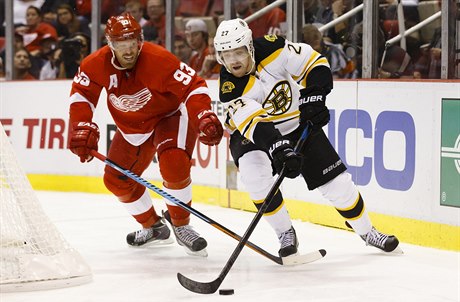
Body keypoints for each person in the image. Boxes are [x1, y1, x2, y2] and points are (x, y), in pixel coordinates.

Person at [213, 18, 400, 258]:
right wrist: (279, 148)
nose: (233, 61)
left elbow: (314, 63)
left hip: (295, 123)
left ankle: (367, 231)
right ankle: (285, 233)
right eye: (226, 55)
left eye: (238, 52)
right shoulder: (229, 87)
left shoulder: (274, 48)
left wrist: (315, 95)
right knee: (254, 178)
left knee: (339, 185)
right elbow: (255, 123)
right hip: (253, 134)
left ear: (249, 46)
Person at [67, 13, 223, 257]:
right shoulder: (95, 63)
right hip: (132, 127)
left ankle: (181, 225)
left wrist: (202, 114)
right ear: (110, 44)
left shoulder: (159, 59)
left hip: (168, 116)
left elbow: (194, 86)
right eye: (121, 45)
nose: (128, 51)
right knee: (116, 180)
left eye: (132, 44)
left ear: (139, 41)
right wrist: (79, 125)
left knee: (174, 164)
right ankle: (154, 227)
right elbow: (81, 94)